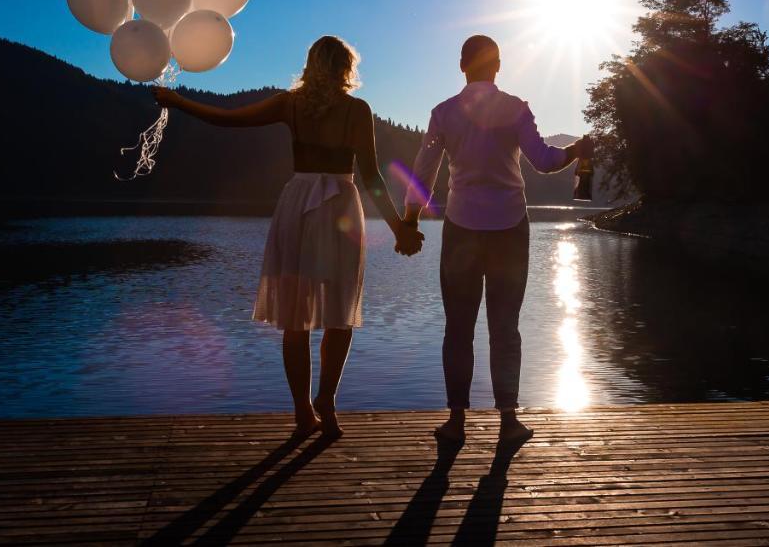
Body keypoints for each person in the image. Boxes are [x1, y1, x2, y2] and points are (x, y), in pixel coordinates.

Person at [154, 36, 422, 438]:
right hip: (338, 206)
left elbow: (227, 119)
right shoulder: (356, 109)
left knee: (296, 318)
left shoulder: (290, 104)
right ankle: (325, 403)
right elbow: (371, 176)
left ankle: (303, 411)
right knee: (339, 313)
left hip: (298, 202)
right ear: (346, 68)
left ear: (312, 64)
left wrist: (177, 101)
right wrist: (399, 227)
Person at [403, 35, 590, 444]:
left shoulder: (443, 113)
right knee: (505, 326)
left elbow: (425, 170)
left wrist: (410, 220)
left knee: (458, 327)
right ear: (499, 66)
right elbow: (543, 162)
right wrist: (576, 149)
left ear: (461, 65)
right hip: (508, 228)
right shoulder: (515, 109)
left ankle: (456, 420)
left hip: (461, 228)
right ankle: (508, 419)